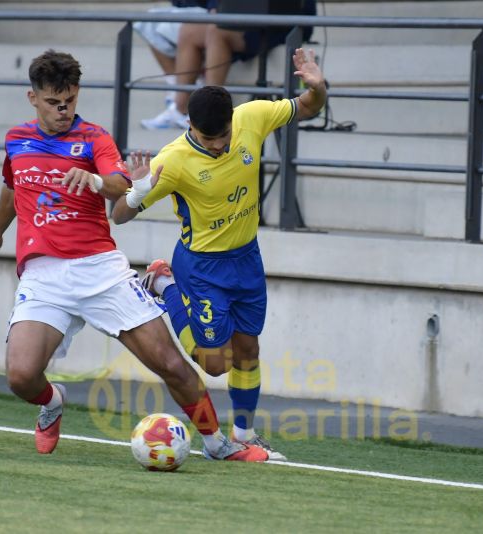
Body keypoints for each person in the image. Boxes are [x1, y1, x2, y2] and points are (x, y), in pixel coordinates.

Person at [0, 49, 267, 462]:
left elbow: (119, 184)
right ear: (32, 98)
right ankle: (53, 400)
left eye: (70, 100)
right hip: (43, 276)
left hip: (100, 269)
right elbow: (12, 185)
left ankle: (218, 443)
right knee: (21, 376)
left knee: (171, 364)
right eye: (55, 102)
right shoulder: (16, 140)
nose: (63, 110)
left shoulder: (93, 138)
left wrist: (95, 180)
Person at [113, 47, 327, 460]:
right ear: (189, 125)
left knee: (249, 349)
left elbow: (309, 107)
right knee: (215, 365)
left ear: (233, 121)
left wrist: (318, 88)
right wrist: (137, 192)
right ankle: (166, 285)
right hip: (202, 268)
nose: (217, 146)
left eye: (223, 136)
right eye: (208, 139)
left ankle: (244, 434)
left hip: (246, 258)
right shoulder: (172, 161)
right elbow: (119, 215)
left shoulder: (253, 117)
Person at [141, 0, 316, 130]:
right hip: (241, 19)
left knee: (216, 31)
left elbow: (304, 13)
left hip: (276, 26)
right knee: (189, 31)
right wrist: (216, 8)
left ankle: (210, 110)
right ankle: (180, 110)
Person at [133, 1, 209, 114]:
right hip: (188, 8)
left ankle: (181, 103)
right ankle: (176, 92)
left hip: (210, 11)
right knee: (148, 21)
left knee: (182, 30)